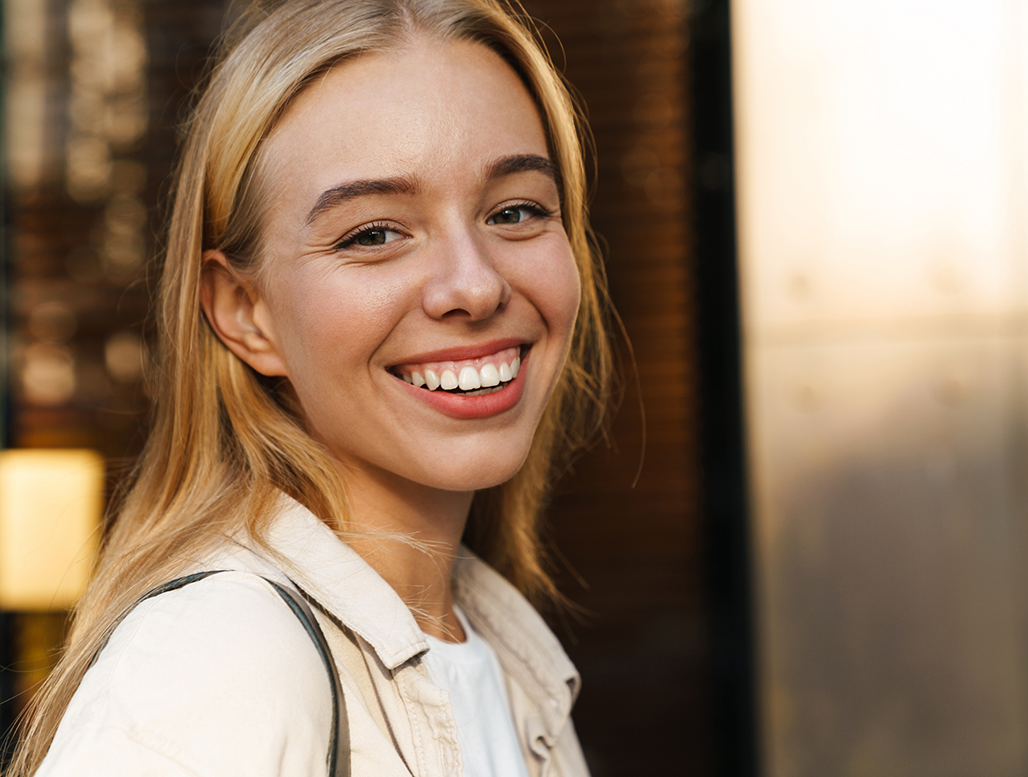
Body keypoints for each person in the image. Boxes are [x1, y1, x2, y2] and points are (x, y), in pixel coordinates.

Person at [7, 0, 613, 774]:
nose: (475, 284)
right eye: (373, 233)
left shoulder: (505, 657)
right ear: (245, 312)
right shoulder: (221, 657)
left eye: (517, 210)